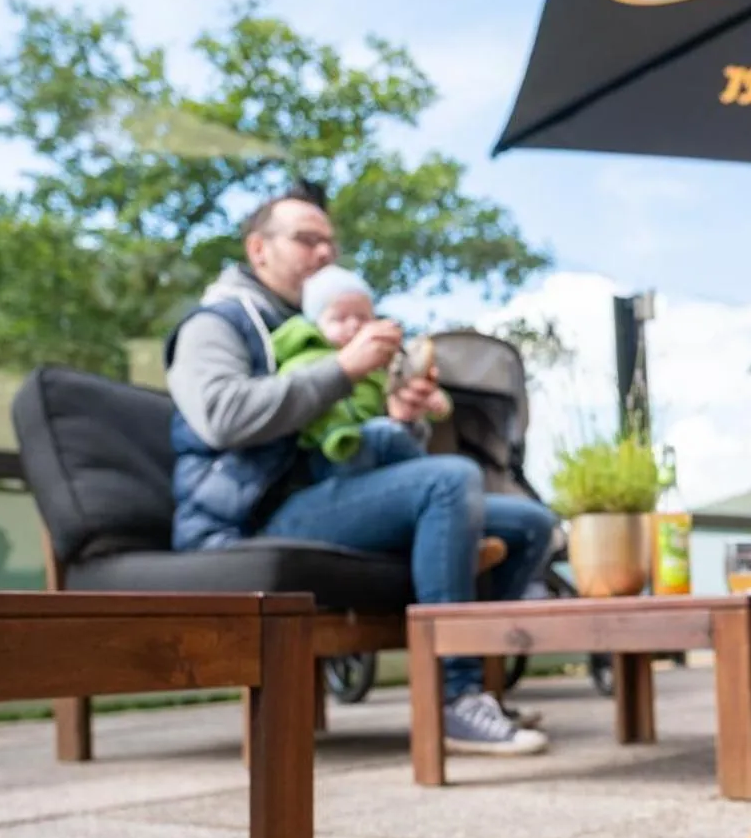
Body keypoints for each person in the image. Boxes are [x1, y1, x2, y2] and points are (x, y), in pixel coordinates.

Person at [163, 185, 555, 755]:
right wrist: (344, 369)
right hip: (256, 516)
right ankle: (453, 695)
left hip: (330, 494)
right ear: (258, 250)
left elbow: (354, 439)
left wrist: (401, 416)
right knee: (450, 480)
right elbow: (223, 418)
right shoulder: (218, 324)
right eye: (306, 239)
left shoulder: (321, 326)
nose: (324, 252)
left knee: (529, 523)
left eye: (329, 242)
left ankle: (483, 685)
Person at [273, 263, 453, 477]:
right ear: (314, 324)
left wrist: (434, 404)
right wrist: (334, 430)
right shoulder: (306, 359)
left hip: (379, 446)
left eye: (363, 317)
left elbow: (404, 397)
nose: (354, 325)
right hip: (329, 454)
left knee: (390, 434)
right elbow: (293, 399)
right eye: (340, 318)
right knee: (385, 434)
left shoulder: (385, 364)